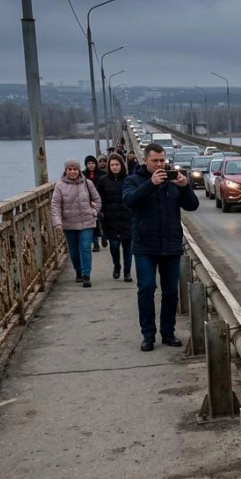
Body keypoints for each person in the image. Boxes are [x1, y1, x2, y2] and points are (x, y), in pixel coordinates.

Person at [123, 143, 199, 351]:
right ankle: (148, 335)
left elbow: (192, 205)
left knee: (170, 292)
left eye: (162, 160)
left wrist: (185, 186)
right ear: (145, 161)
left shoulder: (173, 181)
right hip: (145, 245)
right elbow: (130, 201)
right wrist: (151, 184)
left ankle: (168, 332)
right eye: (154, 161)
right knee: (146, 288)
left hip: (171, 244)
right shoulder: (133, 180)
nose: (159, 164)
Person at [51, 159, 101, 288]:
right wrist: (57, 222)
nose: (72, 172)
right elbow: (55, 205)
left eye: (75, 169)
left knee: (85, 248)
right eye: (70, 169)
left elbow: (97, 199)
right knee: (73, 250)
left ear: (79, 170)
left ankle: (86, 275)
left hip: (87, 222)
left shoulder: (87, 183)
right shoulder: (59, 185)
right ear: (65, 171)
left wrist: (94, 211)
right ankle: (78, 270)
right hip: (69, 223)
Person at [97, 154, 133, 282]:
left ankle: (127, 272)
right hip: (110, 218)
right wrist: (100, 212)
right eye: (112, 165)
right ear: (109, 166)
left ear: (121, 165)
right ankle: (117, 265)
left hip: (127, 217)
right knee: (114, 245)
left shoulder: (129, 179)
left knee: (128, 246)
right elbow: (99, 199)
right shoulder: (103, 181)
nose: (114, 167)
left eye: (117, 164)